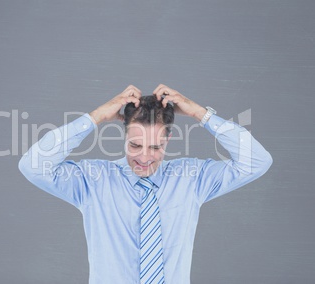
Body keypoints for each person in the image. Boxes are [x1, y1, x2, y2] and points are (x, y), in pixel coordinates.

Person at [18, 84, 272, 284]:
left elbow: (257, 161)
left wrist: (200, 113)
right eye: (135, 145)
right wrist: (95, 117)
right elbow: (33, 165)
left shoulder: (191, 178)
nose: (144, 158)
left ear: (168, 140)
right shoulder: (93, 180)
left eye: (155, 147)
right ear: (124, 135)